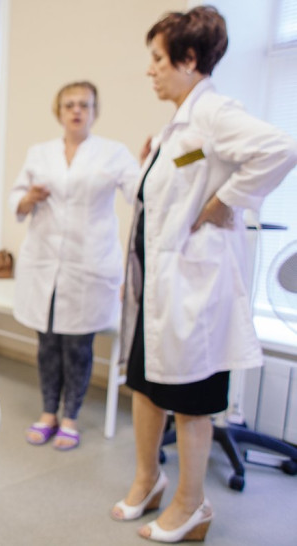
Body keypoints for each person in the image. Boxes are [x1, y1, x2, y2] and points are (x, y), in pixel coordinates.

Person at [110, 6, 297, 543]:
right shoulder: (176, 128)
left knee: (192, 403)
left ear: (189, 59)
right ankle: (148, 479)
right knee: (145, 388)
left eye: (157, 59)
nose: (150, 69)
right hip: (157, 289)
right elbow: (160, 199)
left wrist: (225, 201)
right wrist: (144, 166)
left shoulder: (213, 113)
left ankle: (192, 506)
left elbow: (281, 148)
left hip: (196, 292)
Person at [9, 81, 139, 450]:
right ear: (59, 111)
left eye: (84, 104)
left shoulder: (113, 153)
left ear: (94, 111)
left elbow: (140, 190)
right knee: (48, 343)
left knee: (79, 346)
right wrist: (29, 197)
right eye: (69, 105)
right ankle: (48, 412)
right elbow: (17, 199)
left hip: (88, 265)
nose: (77, 110)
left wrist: (155, 165)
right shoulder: (39, 153)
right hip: (44, 263)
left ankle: (70, 418)